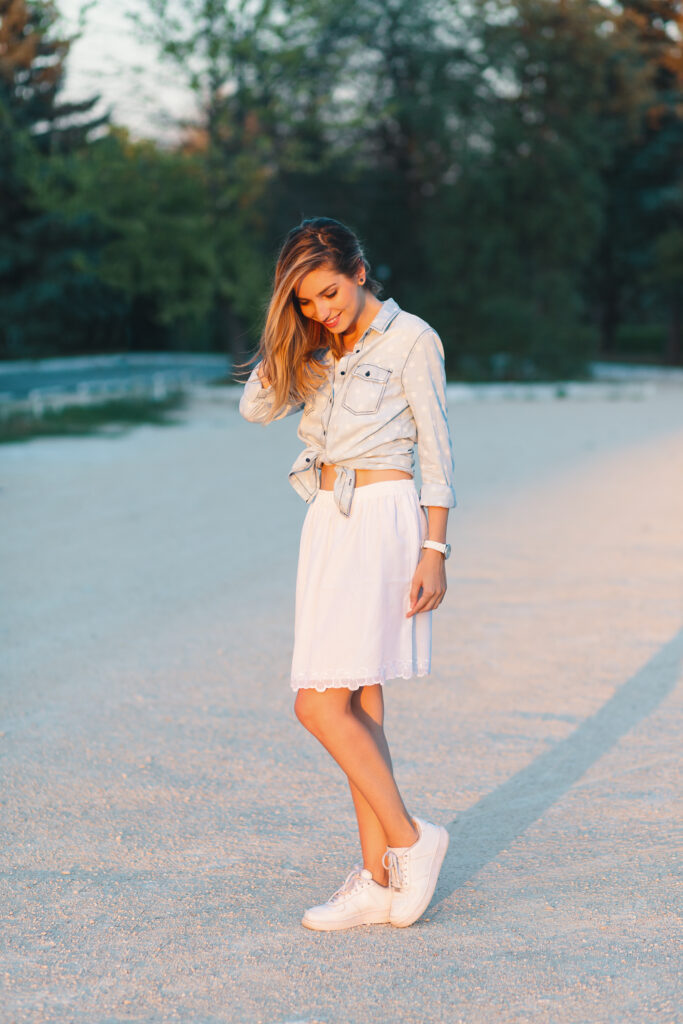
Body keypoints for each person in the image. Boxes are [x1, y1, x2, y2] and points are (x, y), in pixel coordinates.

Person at [238, 217, 456, 931]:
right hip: (328, 519)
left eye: (328, 293)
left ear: (359, 272)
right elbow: (254, 409)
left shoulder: (412, 339)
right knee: (357, 704)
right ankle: (376, 880)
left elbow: (437, 451)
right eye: (305, 301)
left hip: (383, 516)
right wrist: (289, 342)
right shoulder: (314, 348)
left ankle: (411, 840)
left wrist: (435, 549)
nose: (321, 310)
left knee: (316, 703)